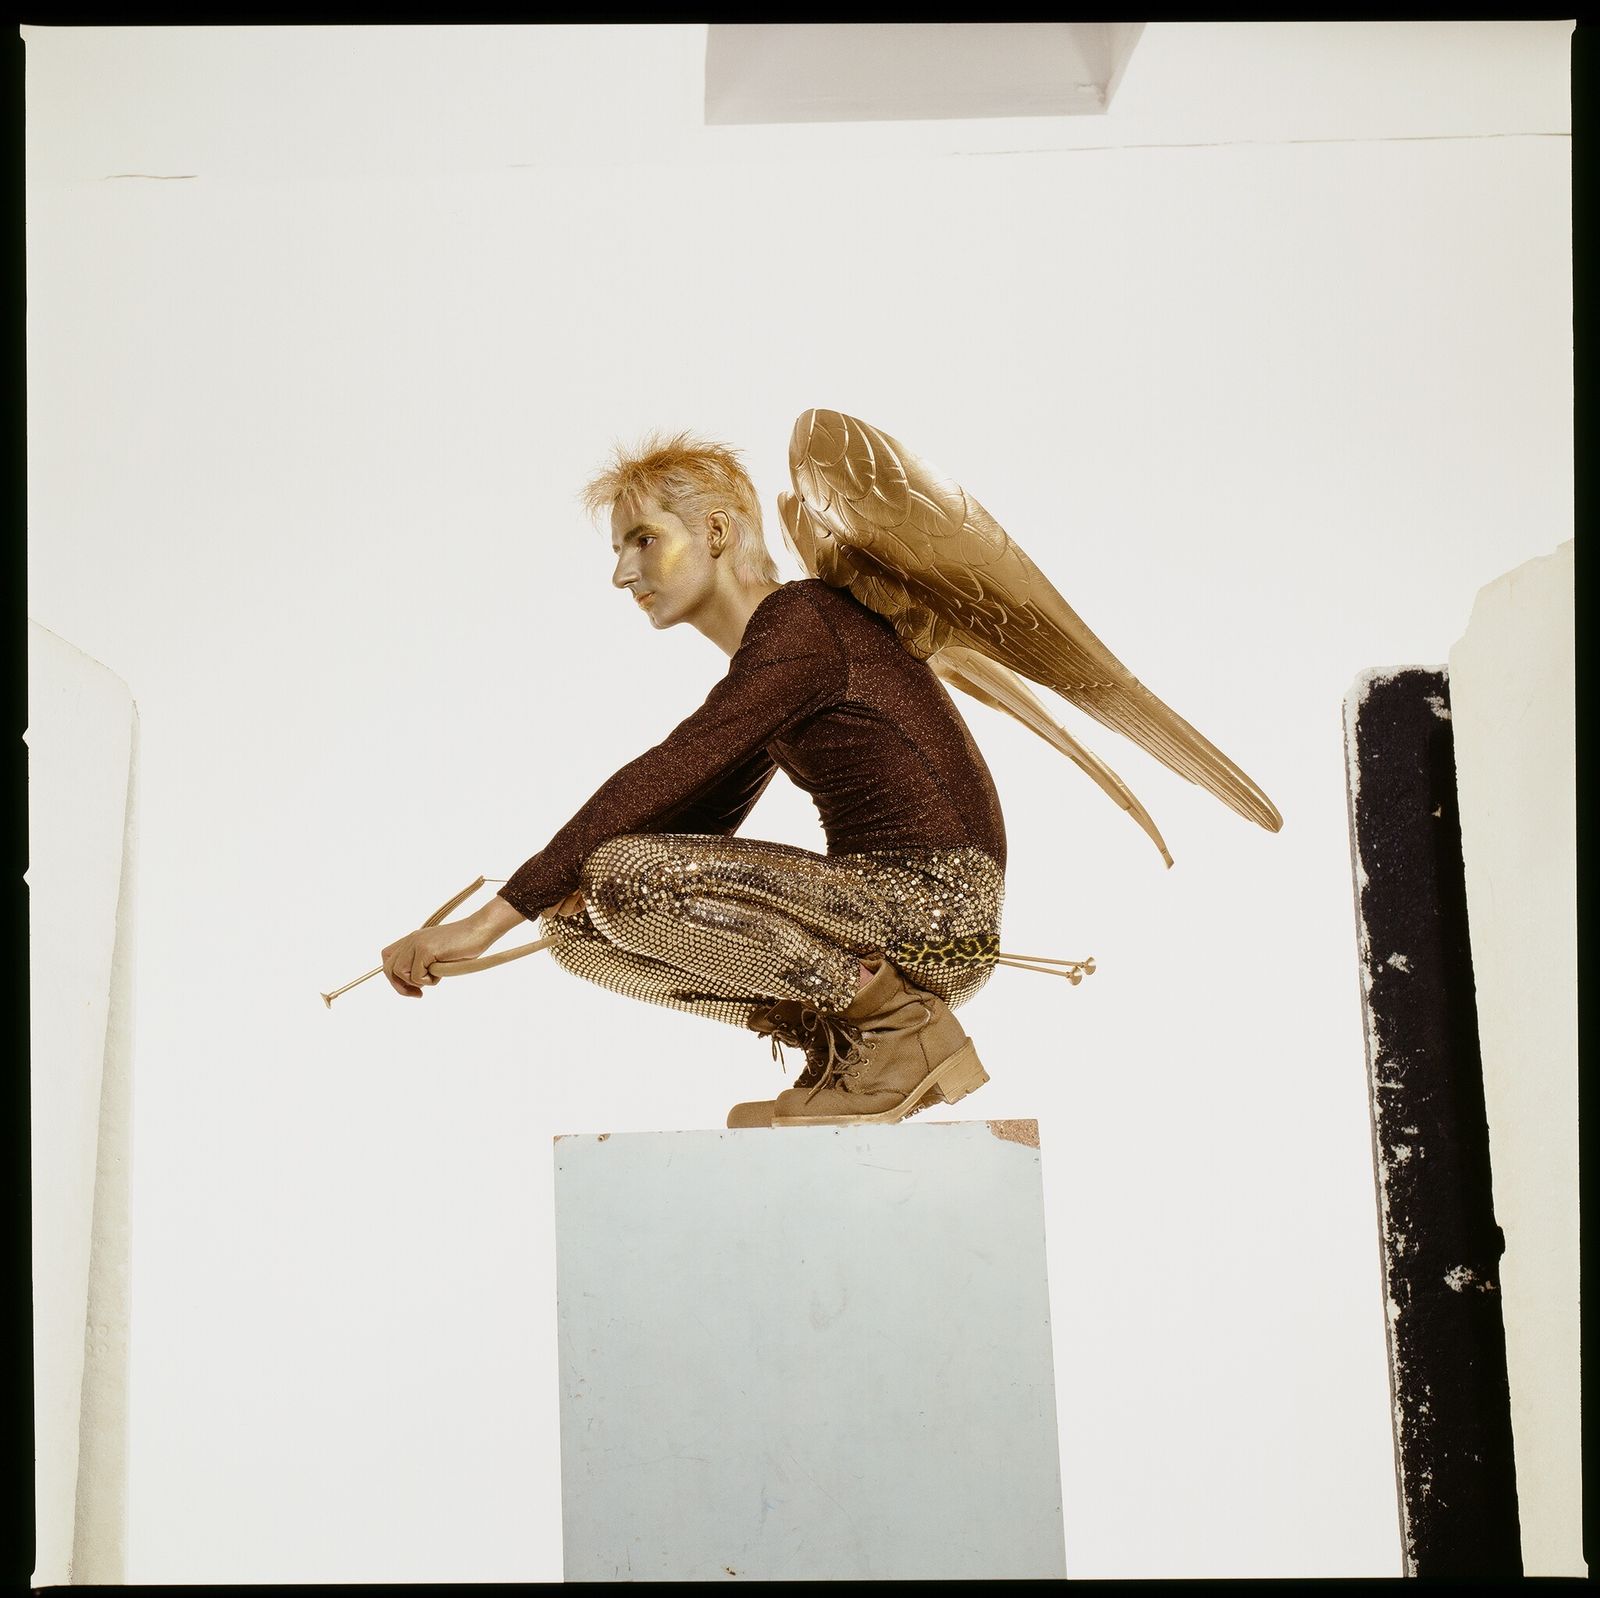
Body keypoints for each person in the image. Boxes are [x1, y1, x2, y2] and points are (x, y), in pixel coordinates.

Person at [380, 433, 1007, 1127]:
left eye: (643, 540)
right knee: (579, 926)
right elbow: (702, 805)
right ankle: (846, 1042)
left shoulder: (804, 624)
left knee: (624, 875)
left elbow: (671, 768)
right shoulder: (778, 652)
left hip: (937, 906)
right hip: (889, 918)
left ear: (715, 531)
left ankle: (899, 1030)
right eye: (619, 549)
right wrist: (560, 889)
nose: (622, 573)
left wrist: (490, 921)